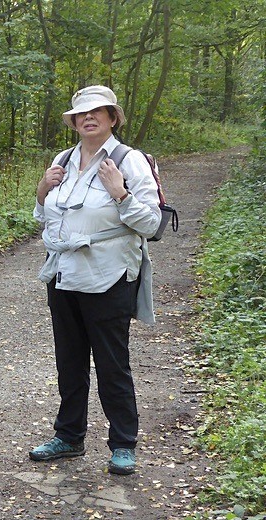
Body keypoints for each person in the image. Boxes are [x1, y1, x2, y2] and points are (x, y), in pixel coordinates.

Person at [29, 85, 162, 476]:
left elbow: (152, 225)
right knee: (69, 362)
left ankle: (123, 444)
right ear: (73, 122)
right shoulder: (63, 159)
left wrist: (120, 194)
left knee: (111, 363)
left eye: (98, 112)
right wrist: (42, 190)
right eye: (81, 114)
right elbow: (45, 217)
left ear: (112, 118)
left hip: (108, 276)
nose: (89, 118)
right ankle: (69, 437)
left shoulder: (129, 160)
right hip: (64, 273)